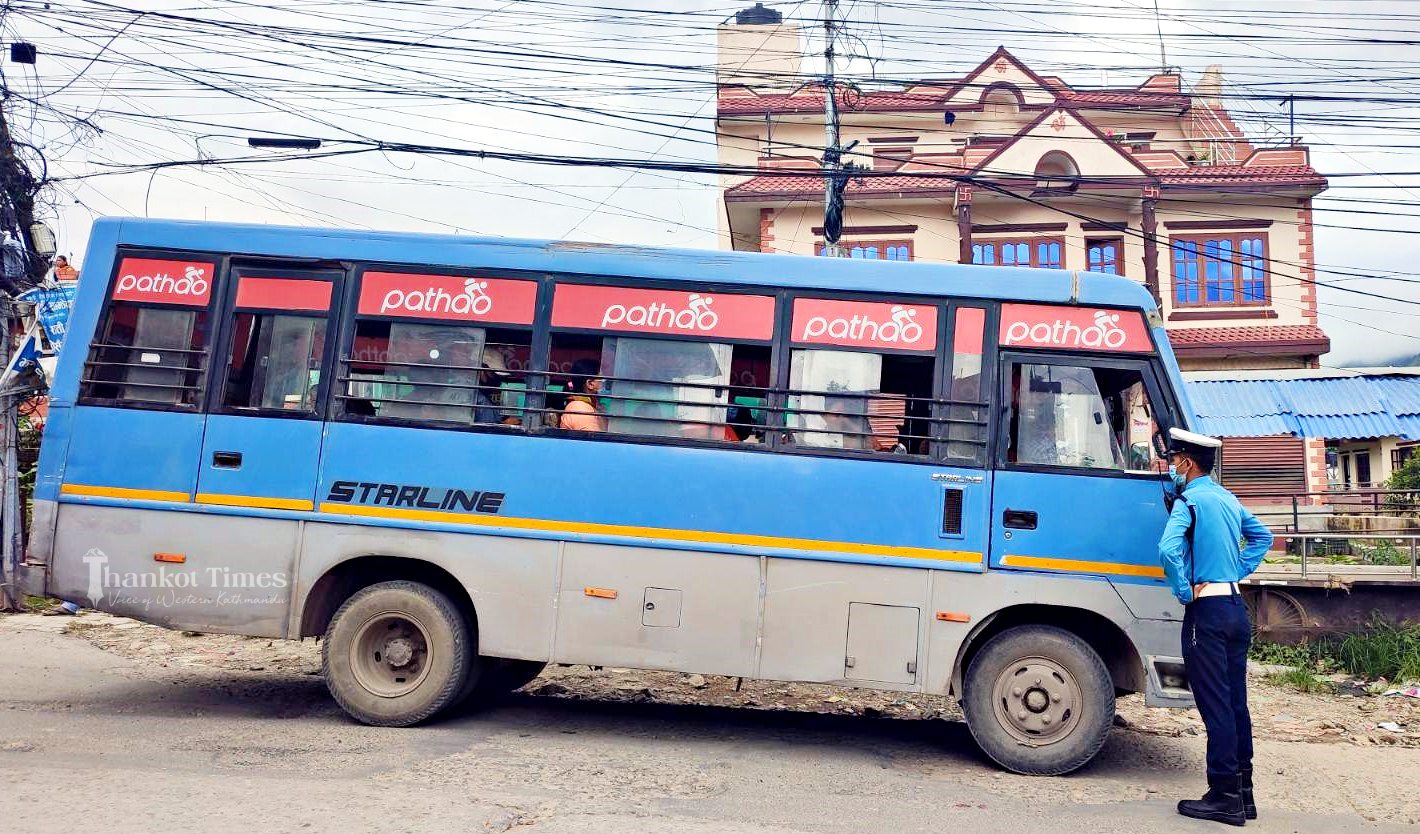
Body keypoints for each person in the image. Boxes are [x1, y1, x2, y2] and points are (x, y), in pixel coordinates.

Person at [1158, 427, 1273, 826]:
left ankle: (1223, 795)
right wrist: (1236, 570)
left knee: (1215, 707)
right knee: (1236, 703)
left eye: (1174, 461)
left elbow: (1168, 548)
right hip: (1235, 608)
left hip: (1205, 613)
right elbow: (1263, 536)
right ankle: (1244, 794)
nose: (1172, 467)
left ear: (1187, 463)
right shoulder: (1227, 498)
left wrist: (1184, 590)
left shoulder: (1189, 501)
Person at [560, 358, 605, 431]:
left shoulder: (591, 405)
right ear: (590, 384)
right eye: (601, 379)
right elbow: (594, 440)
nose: (604, 382)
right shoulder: (579, 408)